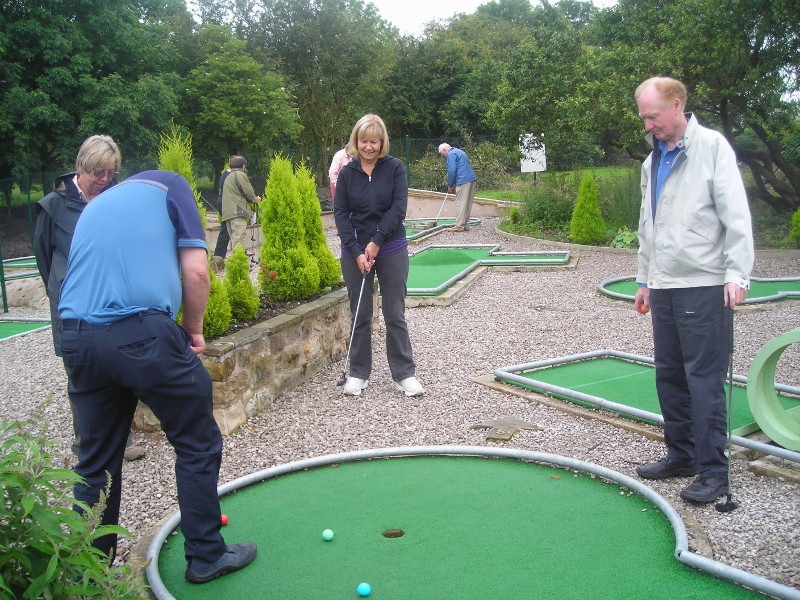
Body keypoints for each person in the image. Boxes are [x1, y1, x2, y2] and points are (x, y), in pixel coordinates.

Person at [57, 170, 257, 582]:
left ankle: (87, 576)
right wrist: (195, 329)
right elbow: (197, 271)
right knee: (196, 441)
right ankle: (205, 555)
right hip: (141, 333)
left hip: (77, 337)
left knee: (96, 461)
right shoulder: (174, 187)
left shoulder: (99, 205)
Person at [632, 77, 754, 504]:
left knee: (703, 380)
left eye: (654, 116)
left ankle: (712, 470)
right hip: (664, 285)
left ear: (677, 105)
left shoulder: (712, 147)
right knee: (669, 375)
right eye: (644, 117)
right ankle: (680, 455)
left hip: (704, 283)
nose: (648, 125)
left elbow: (736, 214)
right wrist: (645, 279)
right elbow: (648, 226)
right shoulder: (651, 163)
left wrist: (737, 274)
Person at [33, 135, 145, 462]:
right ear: (82, 165)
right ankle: (86, 447)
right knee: (81, 377)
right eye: (99, 172)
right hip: (73, 309)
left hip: (112, 302)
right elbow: (44, 259)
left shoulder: (116, 199)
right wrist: (63, 289)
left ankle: (120, 442)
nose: (105, 180)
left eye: (111, 172)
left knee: (118, 370)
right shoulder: (54, 205)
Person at [333, 114, 425, 398]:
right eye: (363, 141)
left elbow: (398, 209)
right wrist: (357, 249)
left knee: (394, 312)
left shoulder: (394, 168)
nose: (368, 146)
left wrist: (375, 243)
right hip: (355, 252)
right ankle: (359, 374)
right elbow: (341, 214)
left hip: (391, 247)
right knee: (359, 313)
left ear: (382, 141)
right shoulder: (348, 173)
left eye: (374, 141)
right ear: (356, 142)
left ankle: (404, 373)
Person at [220, 155, 260, 262]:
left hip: (228, 213)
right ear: (243, 166)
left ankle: (236, 264)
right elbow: (249, 193)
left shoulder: (228, 176)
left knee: (234, 241)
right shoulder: (240, 175)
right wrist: (255, 199)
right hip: (237, 213)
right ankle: (238, 267)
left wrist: (247, 211)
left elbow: (235, 196)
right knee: (238, 241)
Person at [438, 143, 477, 232]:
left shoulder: (451, 154)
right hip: (472, 179)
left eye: (442, 154)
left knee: (461, 202)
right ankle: (465, 224)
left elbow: (451, 171)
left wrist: (450, 184)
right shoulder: (460, 151)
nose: (443, 156)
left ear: (444, 150)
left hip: (463, 180)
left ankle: (459, 226)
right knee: (467, 203)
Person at [212, 162, 232, 273]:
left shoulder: (225, 173)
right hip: (226, 203)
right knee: (227, 229)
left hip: (222, 202)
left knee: (226, 229)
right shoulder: (231, 176)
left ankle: (218, 257)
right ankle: (218, 258)